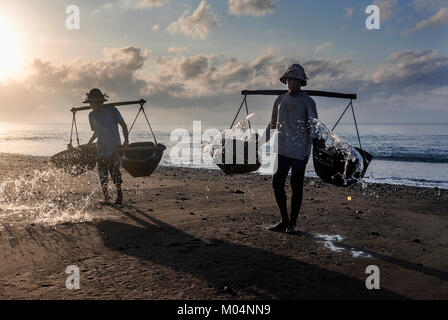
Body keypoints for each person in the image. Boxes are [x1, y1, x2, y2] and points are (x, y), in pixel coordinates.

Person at [264, 64, 319, 234]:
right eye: (289, 80)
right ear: (286, 81)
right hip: (282, 148)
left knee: (296, 186)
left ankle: (293, 223)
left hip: (300, 151)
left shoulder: (308, 101)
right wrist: (259, 142)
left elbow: (314, 127)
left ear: (301, 82)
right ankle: (284, 220)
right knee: (277, 183)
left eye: (295, 80)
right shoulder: (279, 100)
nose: (291, 83)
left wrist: (318, 147)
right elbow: (272, 124)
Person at [86, 88, 129, 205]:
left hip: (114, 148)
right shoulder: (91, 115)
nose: (92, 105)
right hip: (100, 149)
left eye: (94, 102)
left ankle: (119, 196)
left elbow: (123, 125)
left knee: (115, 173)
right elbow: (96, 132)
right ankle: (106, 197)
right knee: (102, 175)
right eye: (90, 103)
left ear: (100, 102)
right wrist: (89, 143)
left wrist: (126, 141)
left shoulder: (112, 110)